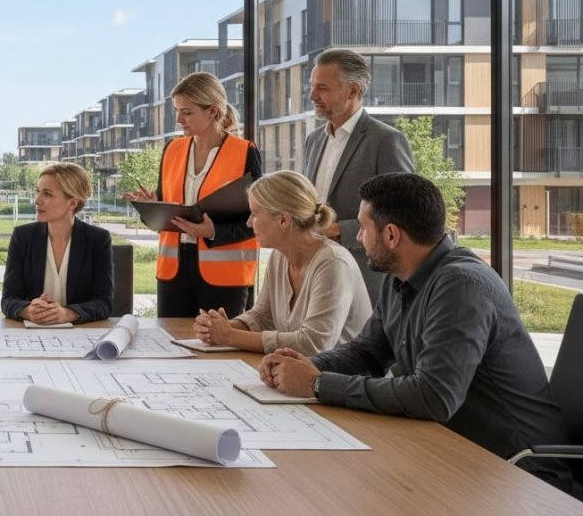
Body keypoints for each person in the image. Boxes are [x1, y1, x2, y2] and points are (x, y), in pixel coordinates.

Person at [259, 173, 577, 495]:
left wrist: (317, 384)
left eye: (364, 228)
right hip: (458, 451)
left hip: (522, 473)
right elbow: (367, 353)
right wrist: (304, 366)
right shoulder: (400, 278)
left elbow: (433, 396)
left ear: (392, 235)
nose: (358, 238)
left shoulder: (461, 286)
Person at [124, 71, 261, 318]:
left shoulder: (244, 152)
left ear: (212, 111)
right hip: (173, 273)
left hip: (225, 278)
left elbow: (259, 221)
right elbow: (166, 213)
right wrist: (152, 208)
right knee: (170, 337)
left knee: (217, 341)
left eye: (187, 112)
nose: (179, 119)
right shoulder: (172, 149)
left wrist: (213, 232)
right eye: (177, 111)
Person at [194, 170, 370, 355]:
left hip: (342, 373)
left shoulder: (333, 263)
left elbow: (313, 344)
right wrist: (221, 327)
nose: (248, 223)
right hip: (302, 370)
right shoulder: (280, 256)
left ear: (283, 220)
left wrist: (230, 336)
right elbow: (263, 316)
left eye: (254, 214)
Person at [303, 48, 415, 303]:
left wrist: (339, 230)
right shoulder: (313, 141)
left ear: (353, 90)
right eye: (312, 86)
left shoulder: (386, 140)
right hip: (315, 272)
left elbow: (403, 210)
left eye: (322, 88)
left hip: (363, 277)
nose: (312, 96)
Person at [1, 163, 113, 325]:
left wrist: (67, 314)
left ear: (72, 203)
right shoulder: (23, 237)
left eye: (47, 194)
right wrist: (29, 311)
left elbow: (104, 303)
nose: (37, 200)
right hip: (32, 334)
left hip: (80, 334)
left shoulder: (98, 240)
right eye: (38, 192)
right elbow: (9, 299)